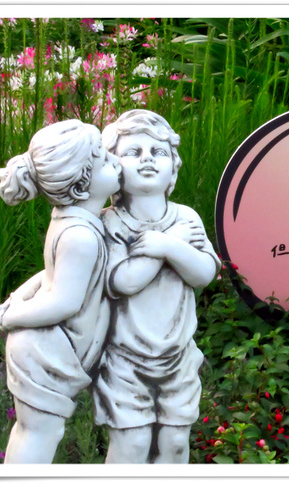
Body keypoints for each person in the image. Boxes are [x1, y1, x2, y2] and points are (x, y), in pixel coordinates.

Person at [93, 109, 220, 463]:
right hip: (124, 360)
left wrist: (167, 245)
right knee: (131, 445)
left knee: (176, 442)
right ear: (113, 166)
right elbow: (122, 281)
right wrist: (169, 246)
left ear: (173, 169)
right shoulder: (109, 223)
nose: (147, 158)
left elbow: (204, 274)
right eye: (133, 152)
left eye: (158, 152)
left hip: (178, 357)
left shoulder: (186, 219)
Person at [0, 119, 121, 463]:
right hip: (45, 349)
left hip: (45, 344)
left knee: (31, 430)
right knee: (39, 433)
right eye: (105, 160)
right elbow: (64, 301)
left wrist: (17, 297)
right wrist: (13, 316)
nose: (117, 160)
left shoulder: (71, 219)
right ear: (80, 186)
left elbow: (50, 274)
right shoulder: (81, 236)